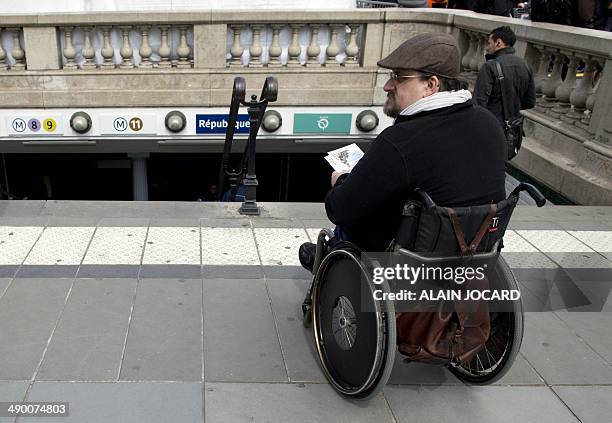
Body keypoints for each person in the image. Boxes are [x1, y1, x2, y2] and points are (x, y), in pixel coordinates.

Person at [299, 33, 507, 271]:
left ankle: (328, 254)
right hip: (475, 258)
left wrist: (342, 180)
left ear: (431, 85)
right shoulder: (490, 124)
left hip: (405, 268)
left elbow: (339, 209)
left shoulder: (401, 141)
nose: (388, 85)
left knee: (350, 216)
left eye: (398, 77)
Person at [473, 26, 536, 131]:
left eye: (489, 43)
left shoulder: (490, 66)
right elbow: (530, 102)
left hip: (490, 127)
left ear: (498, 42)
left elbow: (479, 103)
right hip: (512, 130)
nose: (487, 48)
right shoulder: (526, 66)